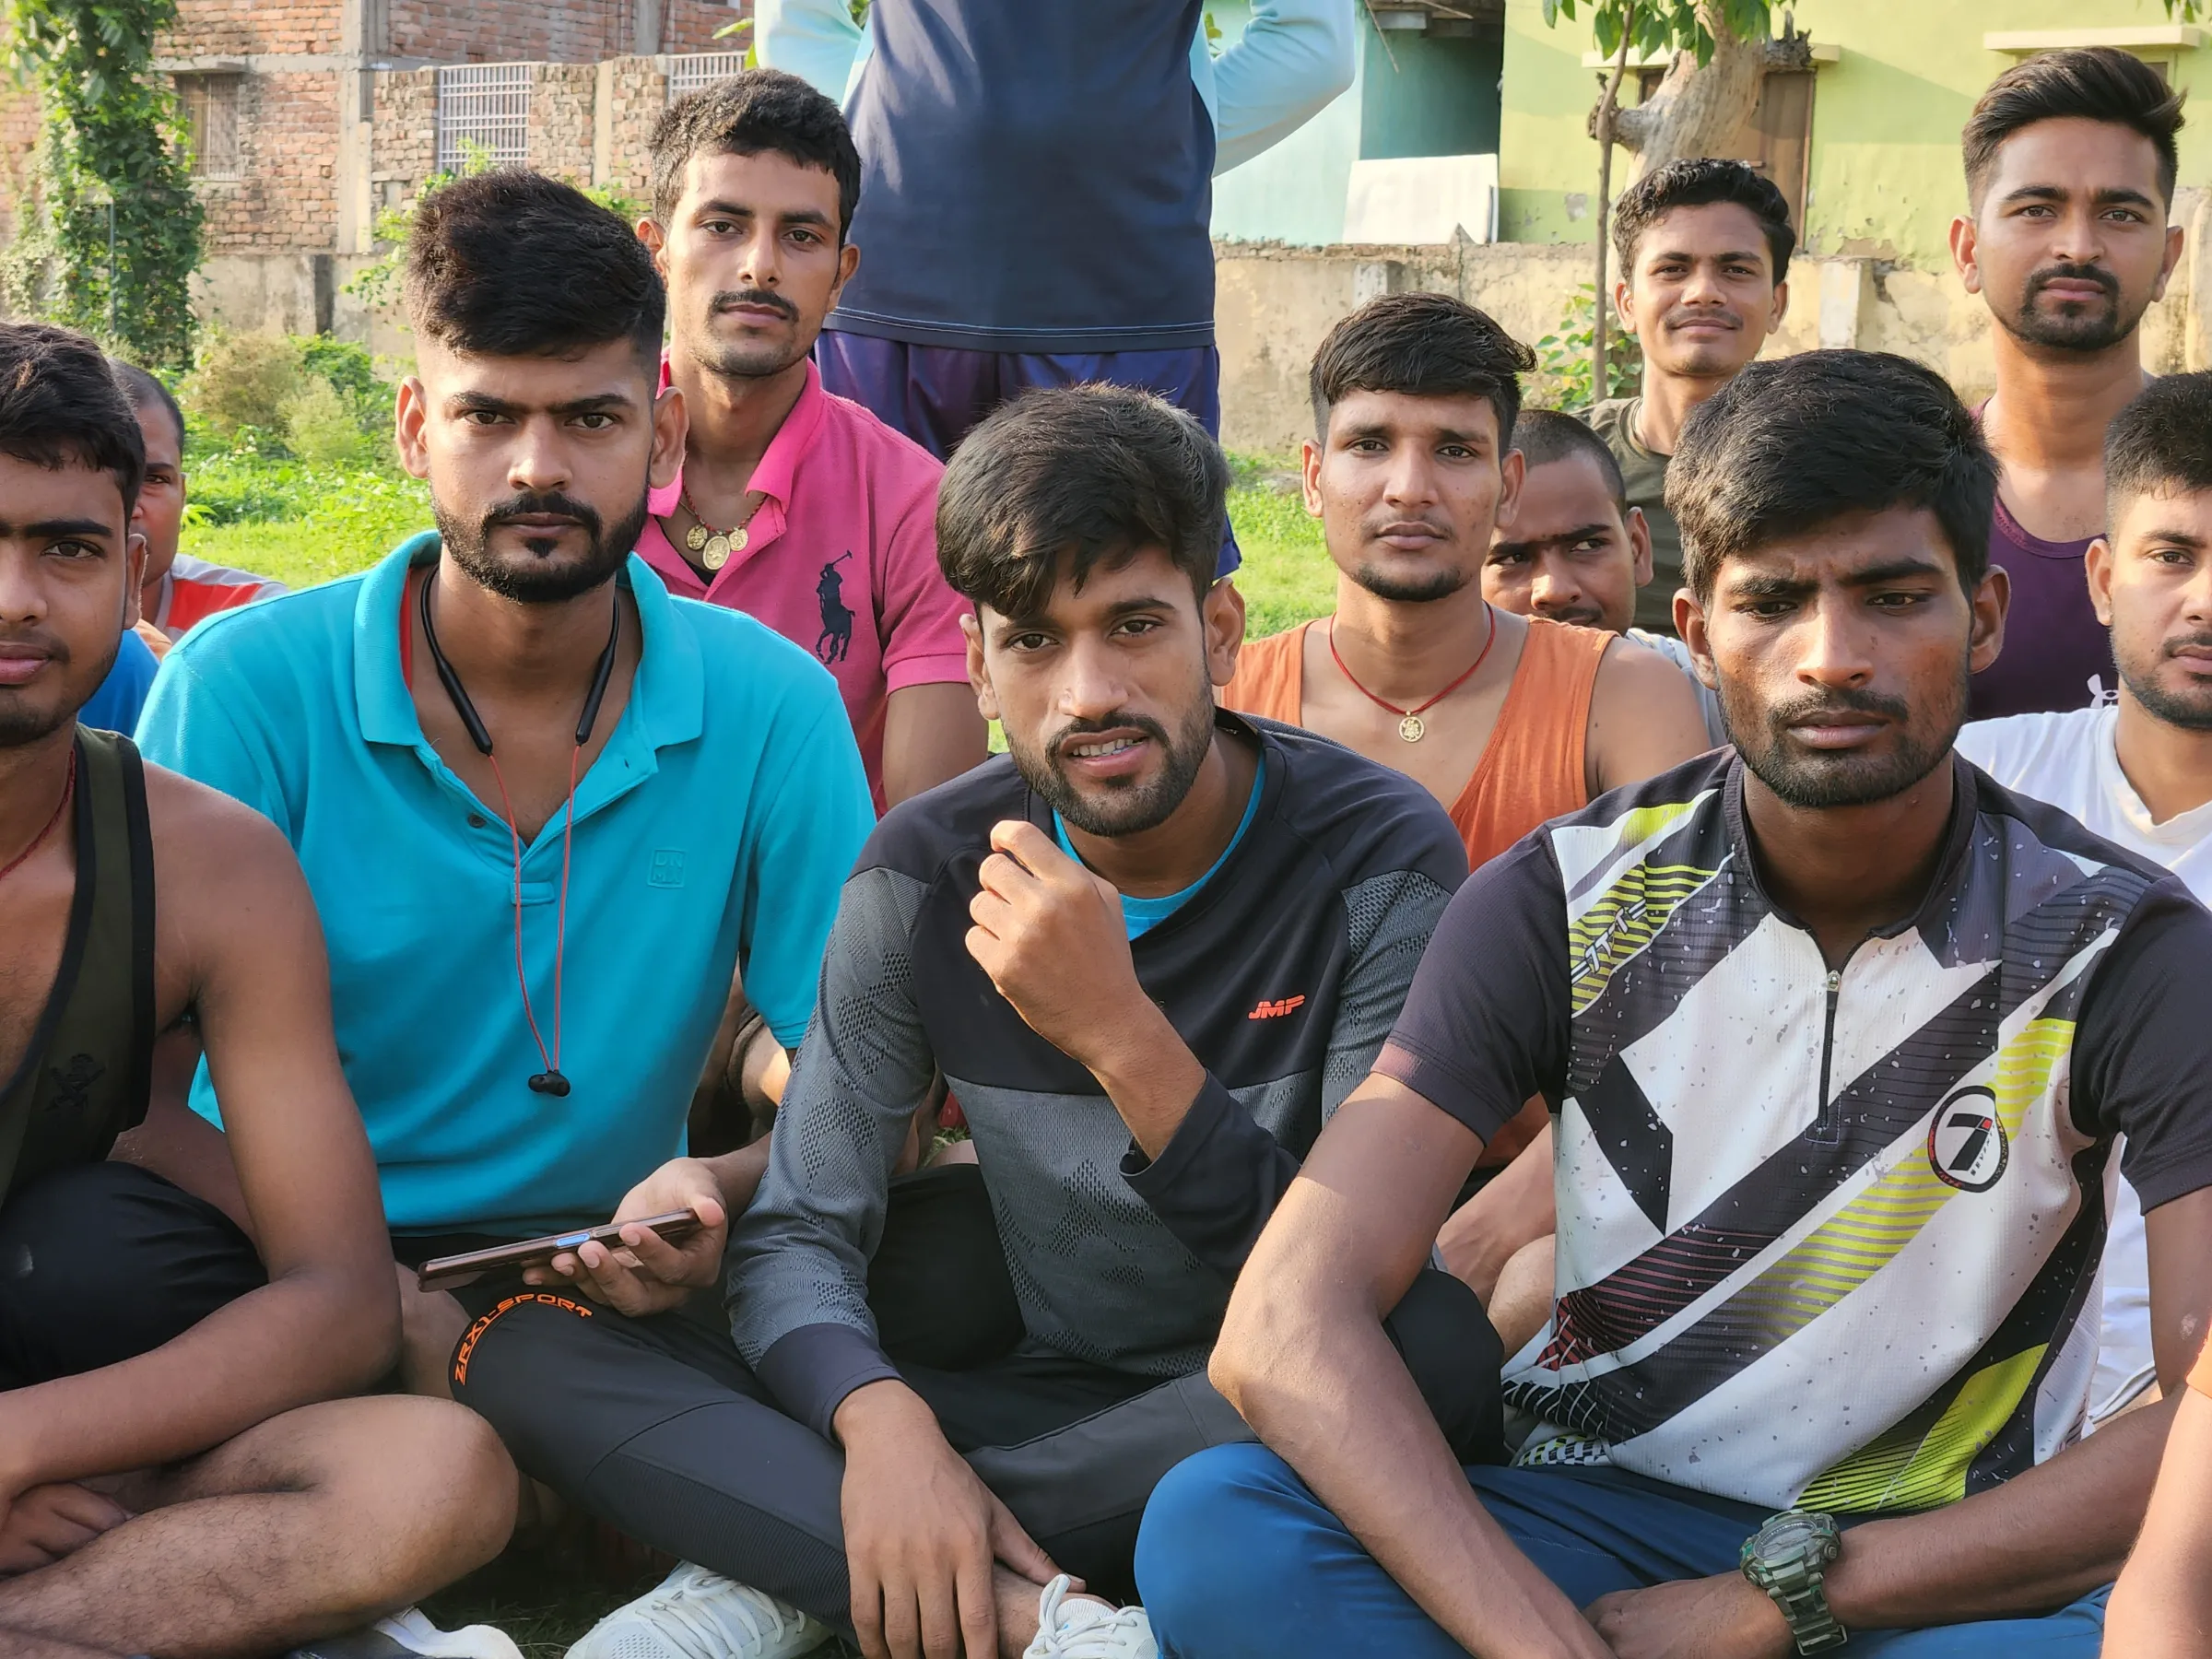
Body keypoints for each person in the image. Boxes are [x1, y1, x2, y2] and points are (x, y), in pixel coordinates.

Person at [1136, 349, 2212, 1658]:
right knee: (1218, 1527)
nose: (1831, 657)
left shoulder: (2119, 942)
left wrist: (1781, 1602)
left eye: (1892, 597)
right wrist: (1542, 1643)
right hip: (1590, 1519)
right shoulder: (1566, 899)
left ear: (1983, 618)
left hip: (1925, 1567)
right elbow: (1284, 1323)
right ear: (1697, 632)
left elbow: (2197, 1406)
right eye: (1773, 602)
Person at [451, 385, 1501, 1659]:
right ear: (981, 660)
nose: (1089, 693)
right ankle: (1010, 1607)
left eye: (1135, 627)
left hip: (1257, 1390)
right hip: (1024, 1373)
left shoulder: (1377, 855)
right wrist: (882, 1427)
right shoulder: (928, 867)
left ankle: (795, 1563)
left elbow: (1343, 1279)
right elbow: (805, 1225)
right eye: (1035, 644)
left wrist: (1120, 1034)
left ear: (1221, 629)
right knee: (524, 1339)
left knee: (1432, 1346)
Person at [134, 171, 876, 1399]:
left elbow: (859, 1091)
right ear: (418, 428)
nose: (538, 470)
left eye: (591, 419)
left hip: (602, 1259)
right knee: (80, 1262)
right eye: (489, 419)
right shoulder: (243, 689)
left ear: (666, 435)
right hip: (268, 1243)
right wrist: (361, 1280)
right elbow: (126, 1100)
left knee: (949, 1252)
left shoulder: (772, 703)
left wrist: (715, 1194)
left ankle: (514, 1438)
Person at [0, 322, 515, 1658]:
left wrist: (18, 1449)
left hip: (44, 1392)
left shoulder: (208, 866)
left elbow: (339, 1296)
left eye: (64, 548)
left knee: (434, 1476)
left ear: (136, 563)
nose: (15, 598)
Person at [1222, 292, 1710, 1183]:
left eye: (1455, 450)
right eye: (1369, 444)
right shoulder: (1230, 700)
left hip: (1549, 1202)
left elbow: (1679, 1014)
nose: (1410, 486)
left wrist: (1482, 1244)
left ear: (1508, 485)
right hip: (1260, 1192)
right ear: (1310, 475)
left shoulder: (1623, 694)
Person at [759, 0, 1353, 576]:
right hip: (1106, 283)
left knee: (877, 592)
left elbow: (796, 25)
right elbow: (1312, 47)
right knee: (1126, 607)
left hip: (969, 287)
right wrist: (1156, 140)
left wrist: (886, 139)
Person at [1956, 371, 2212, 1446]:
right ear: (2101, 578)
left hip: (2174, 1415)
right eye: (2173, 555)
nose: (2207, 601)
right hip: (1926, 1387)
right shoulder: (1974, 786)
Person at [637, 72, 984, 812]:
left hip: (826, 914)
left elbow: (923, 840)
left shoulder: (913, 506)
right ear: (658, 251)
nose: (760, 265)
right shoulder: (578, 460)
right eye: (723, 226)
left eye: (800, 237)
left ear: (839, 277)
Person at [1956, 47, 2187, 720]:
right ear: (1968, 251)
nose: (2078, 245)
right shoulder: (1904, 496)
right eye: (2036, 209)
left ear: (2168, 259)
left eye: (2121, 214)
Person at [1586, 158, 1794, 632]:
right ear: (1626, 303)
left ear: (1777, 304)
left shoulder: (1829, 470)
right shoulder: (1563, 465)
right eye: (1672, 269)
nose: (1703, 292)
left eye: (1736, 270)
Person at [1487, 407, 1728, 747]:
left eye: (1587, 545)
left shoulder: (1718, 694)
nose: (1554, 590)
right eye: (1513, 558)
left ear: (1637, 547)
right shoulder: (1423, 718)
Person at [110, 363, 286, 656]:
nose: (128, 508)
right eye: (99, 479)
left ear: (182, 493)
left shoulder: (251, 619)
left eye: (153, 479)